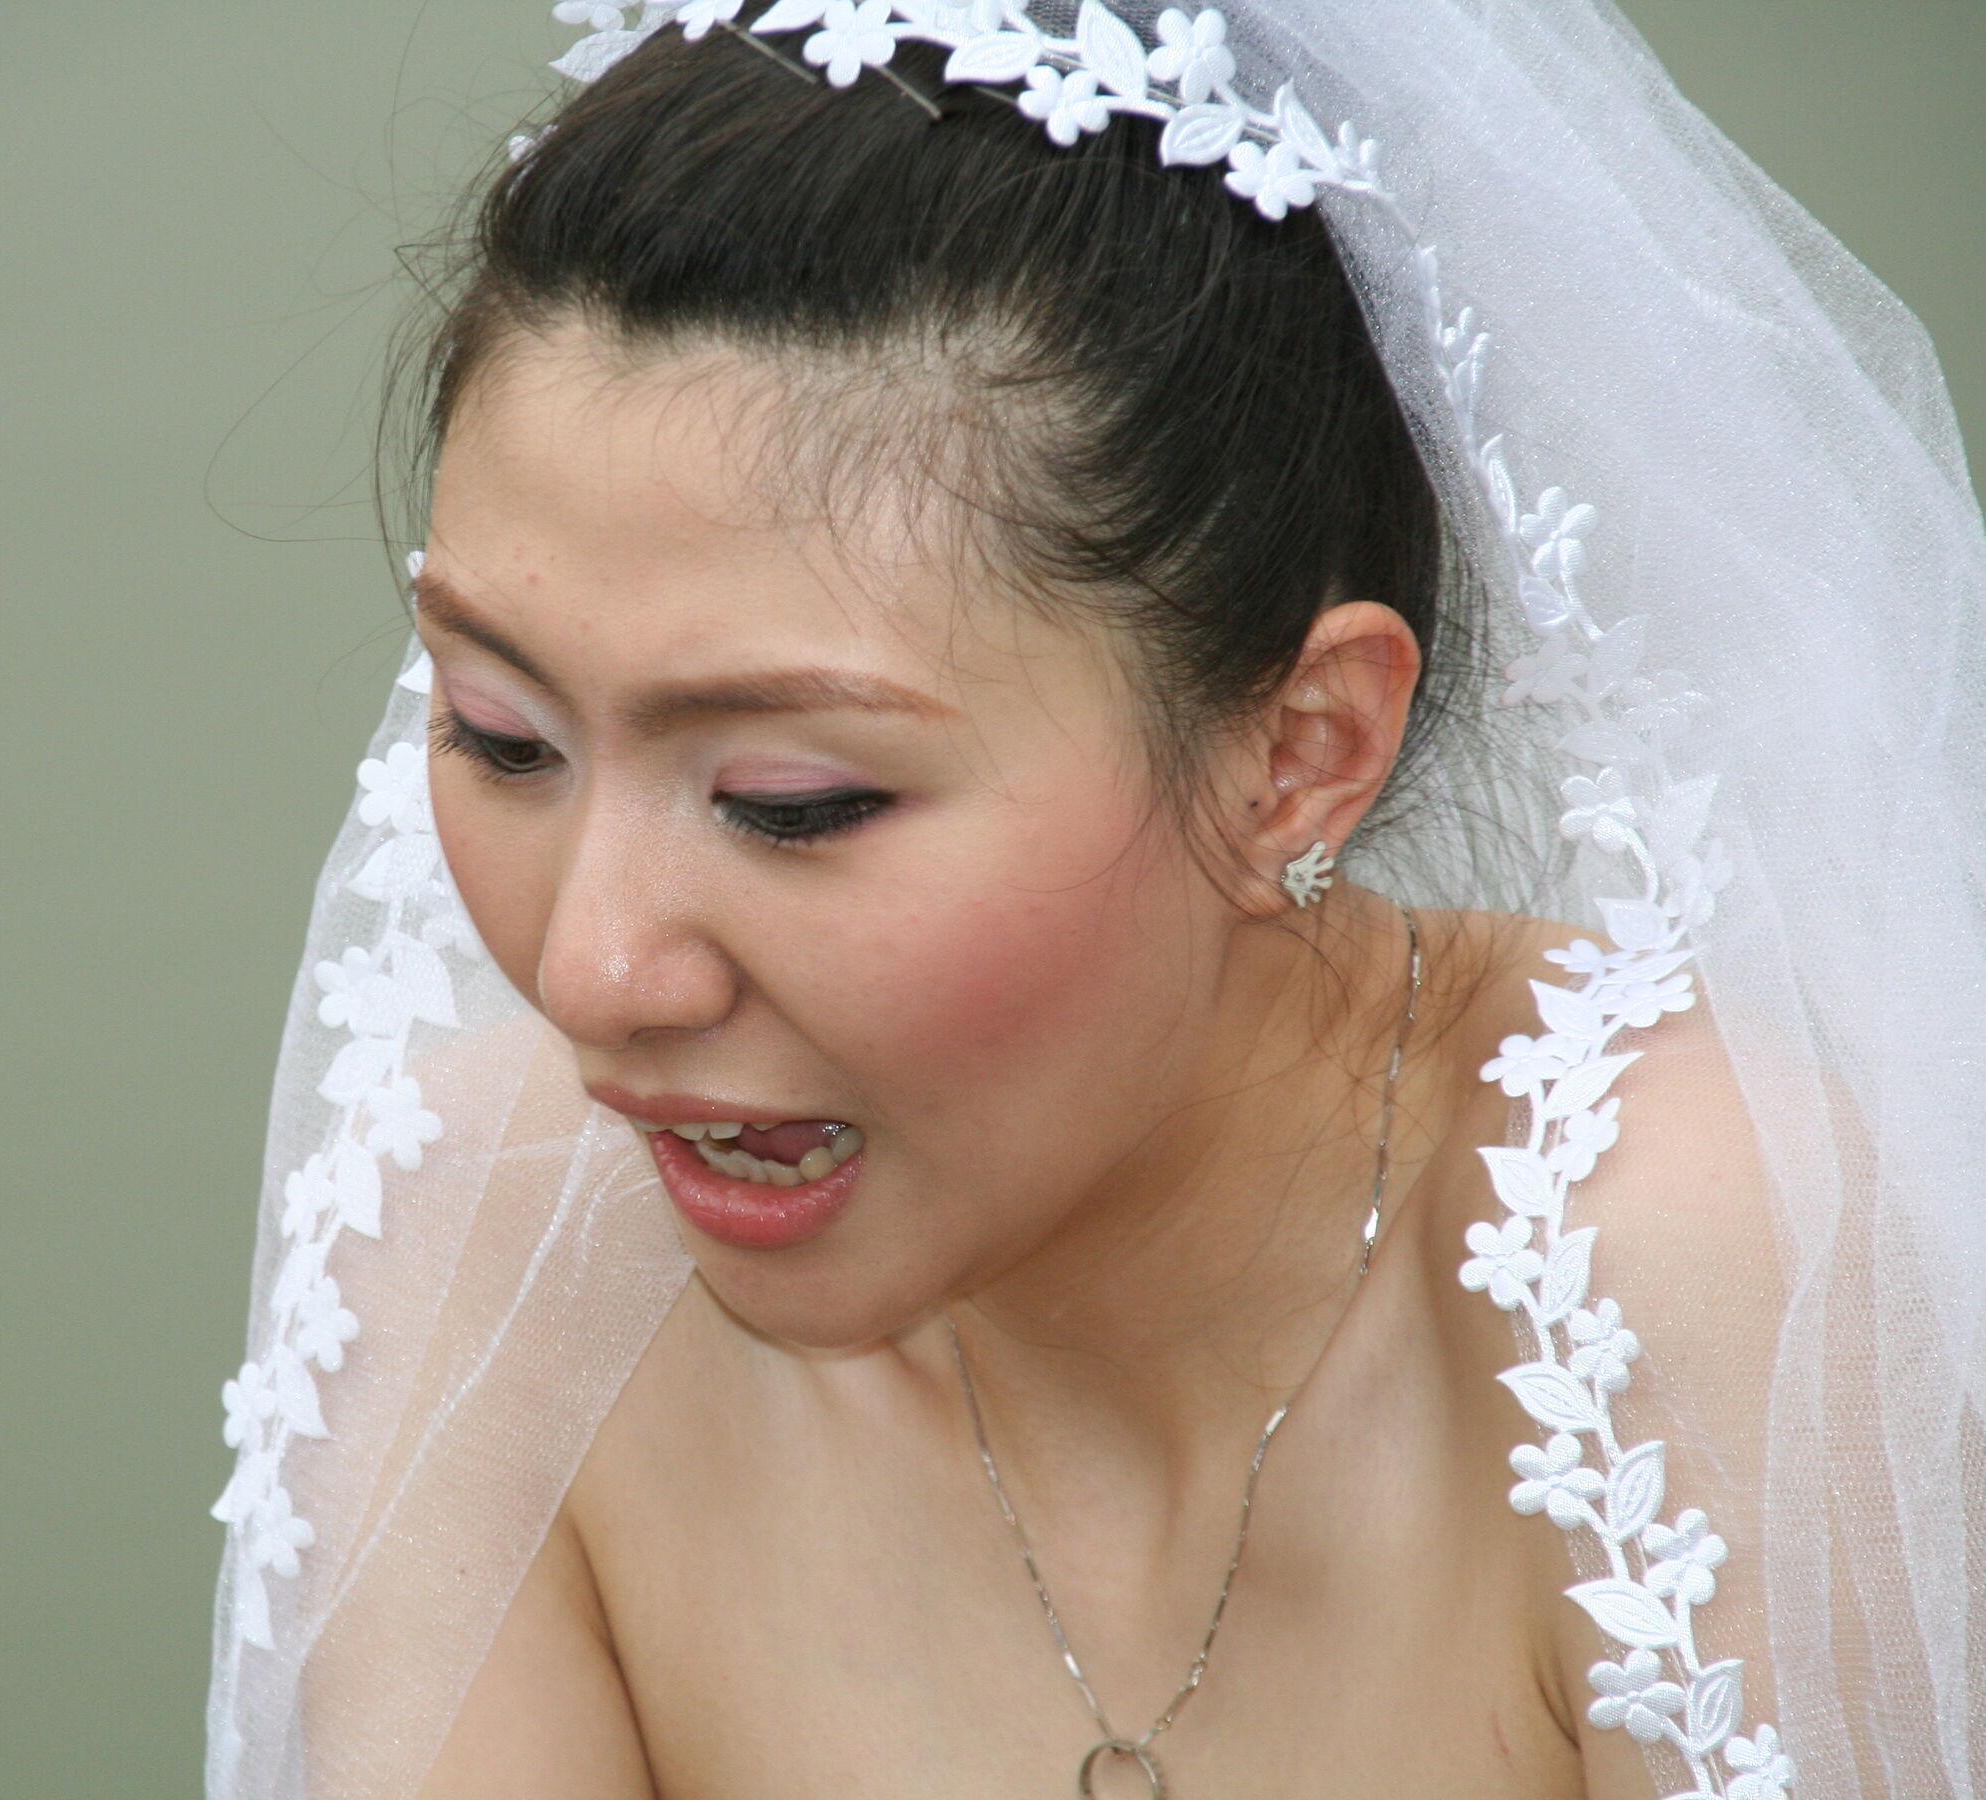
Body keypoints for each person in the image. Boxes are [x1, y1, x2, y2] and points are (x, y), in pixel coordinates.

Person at [208, 4, 1986, 1795]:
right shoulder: (487, 1247)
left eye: (794, 804)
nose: (594, 973)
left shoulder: (1667, 1270)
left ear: (1295, 752)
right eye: (503, 738)